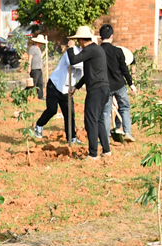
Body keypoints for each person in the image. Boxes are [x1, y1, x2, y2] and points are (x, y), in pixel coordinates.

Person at [66, 25, 111, 160]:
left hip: (96, 90)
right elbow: (88, 75)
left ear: (80, 40)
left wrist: (70, 48)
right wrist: (76, 86)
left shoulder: (90, 49)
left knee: (91, 120)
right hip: (104, 89)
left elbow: (73, 60)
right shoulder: (97, 50)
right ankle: (106, 150)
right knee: (99, 119)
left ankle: (93, 154)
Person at [33, 40, 83, 143]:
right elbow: (72, 62)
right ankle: (39, 125)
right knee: (52, 109)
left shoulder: (89, 56)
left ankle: (71, 138)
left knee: (69, 114)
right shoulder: (73, 50)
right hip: (55, 84)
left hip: (67, 88)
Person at [99, 25, 136, 143]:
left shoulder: (98, 52)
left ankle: (105, 139)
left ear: (100, 37)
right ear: (112, 36)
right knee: (124, 107)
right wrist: (131, 84)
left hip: (105, 87)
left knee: (105, 113)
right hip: (119, 85)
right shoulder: (118, 51)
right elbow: (124, 69)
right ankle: (127, 132)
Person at [27, 35, 47, 100]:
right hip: (34, 69)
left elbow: (39, 57)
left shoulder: (39, 49)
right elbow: (30, 58)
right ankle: (25, 93)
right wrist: (29, 67)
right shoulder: (32, 48)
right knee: (33, 83)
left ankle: (40, 96)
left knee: (40, 83)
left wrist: (44, 52)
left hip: (39, 69)